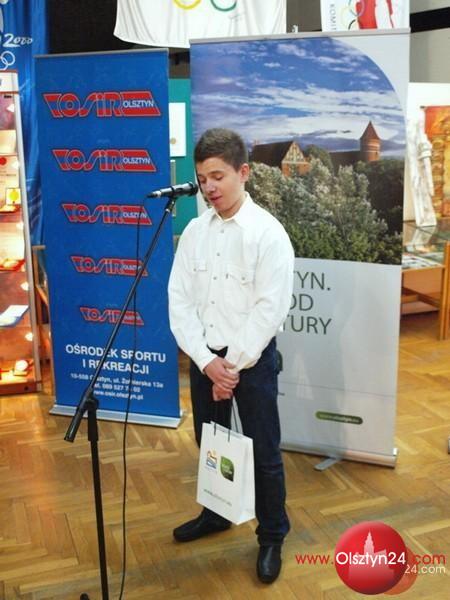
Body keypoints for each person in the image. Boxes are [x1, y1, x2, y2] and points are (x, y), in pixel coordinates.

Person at [168, 128, 294, 584]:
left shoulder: (268, 235)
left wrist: (231, 367)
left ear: (244, 173)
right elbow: (179, 301)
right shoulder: (194, 233)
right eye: (202, 179)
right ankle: (217, 513)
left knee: (264, 451)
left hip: (251, 362)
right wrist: (207, 363)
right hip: (207, 360)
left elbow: (269, 310)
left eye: (218, 177)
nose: (209, 188)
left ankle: (272, 534)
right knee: (211, 444)